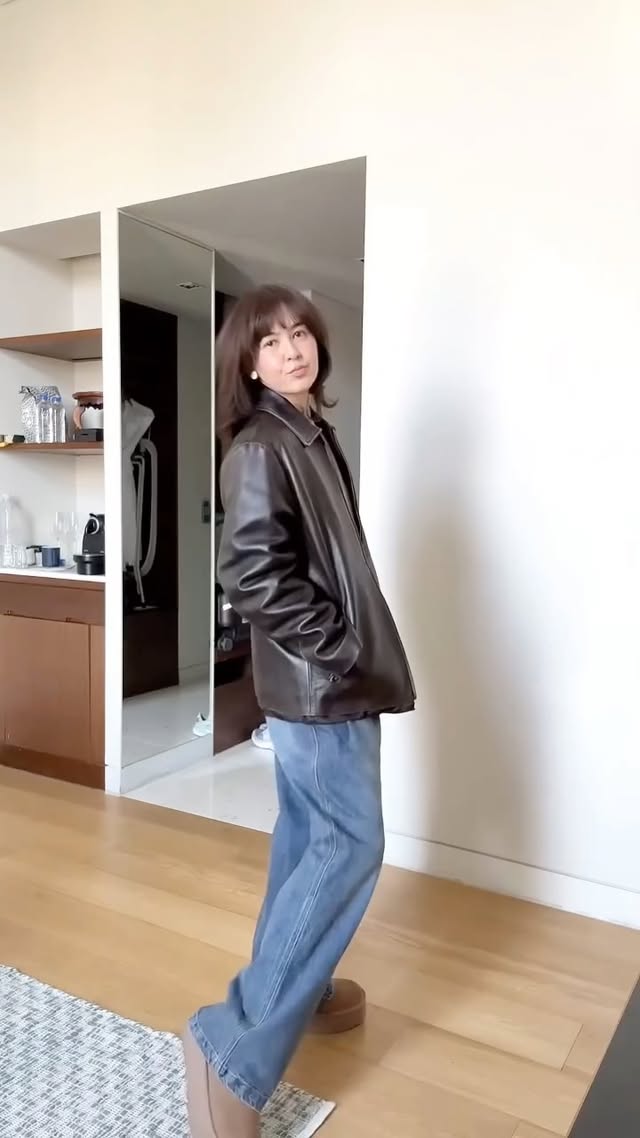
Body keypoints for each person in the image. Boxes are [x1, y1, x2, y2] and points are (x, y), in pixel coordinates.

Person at [183, 285, 415, 1138]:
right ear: (248, 364)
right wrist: (343, 649)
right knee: (349, 843)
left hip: (320, 684)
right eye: (271, 342)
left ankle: (299, 988)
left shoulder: (307, 432)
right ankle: (232, 1048)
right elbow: (251, 575)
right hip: (322, 687)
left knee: (308, 836)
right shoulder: (261, 445)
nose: (291, 350)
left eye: (300, 334)